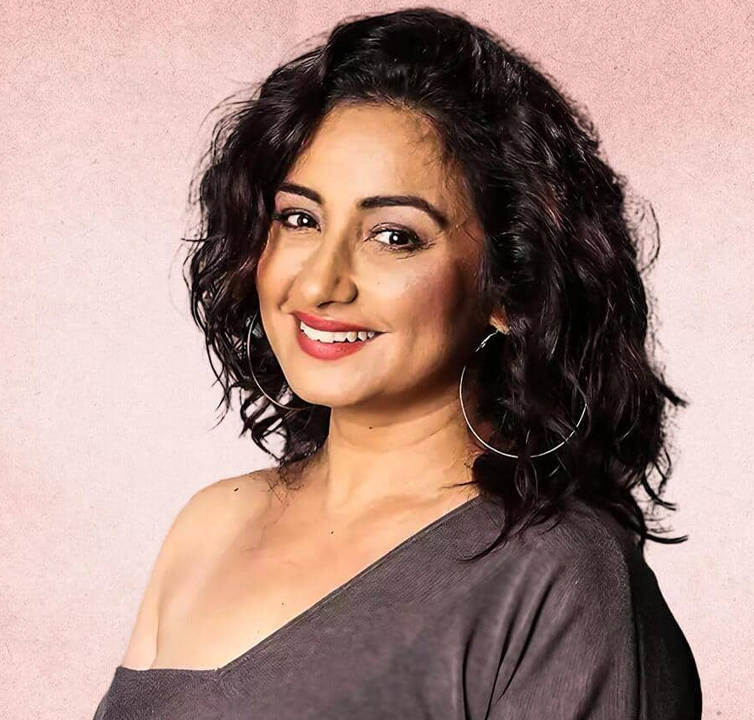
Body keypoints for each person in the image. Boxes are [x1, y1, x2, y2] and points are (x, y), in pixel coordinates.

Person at [95, 6, 701, 718]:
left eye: (393, 236)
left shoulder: (559, 576)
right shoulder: (210, 527)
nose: (319, 284)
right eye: (300, 219)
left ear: (511, 285)